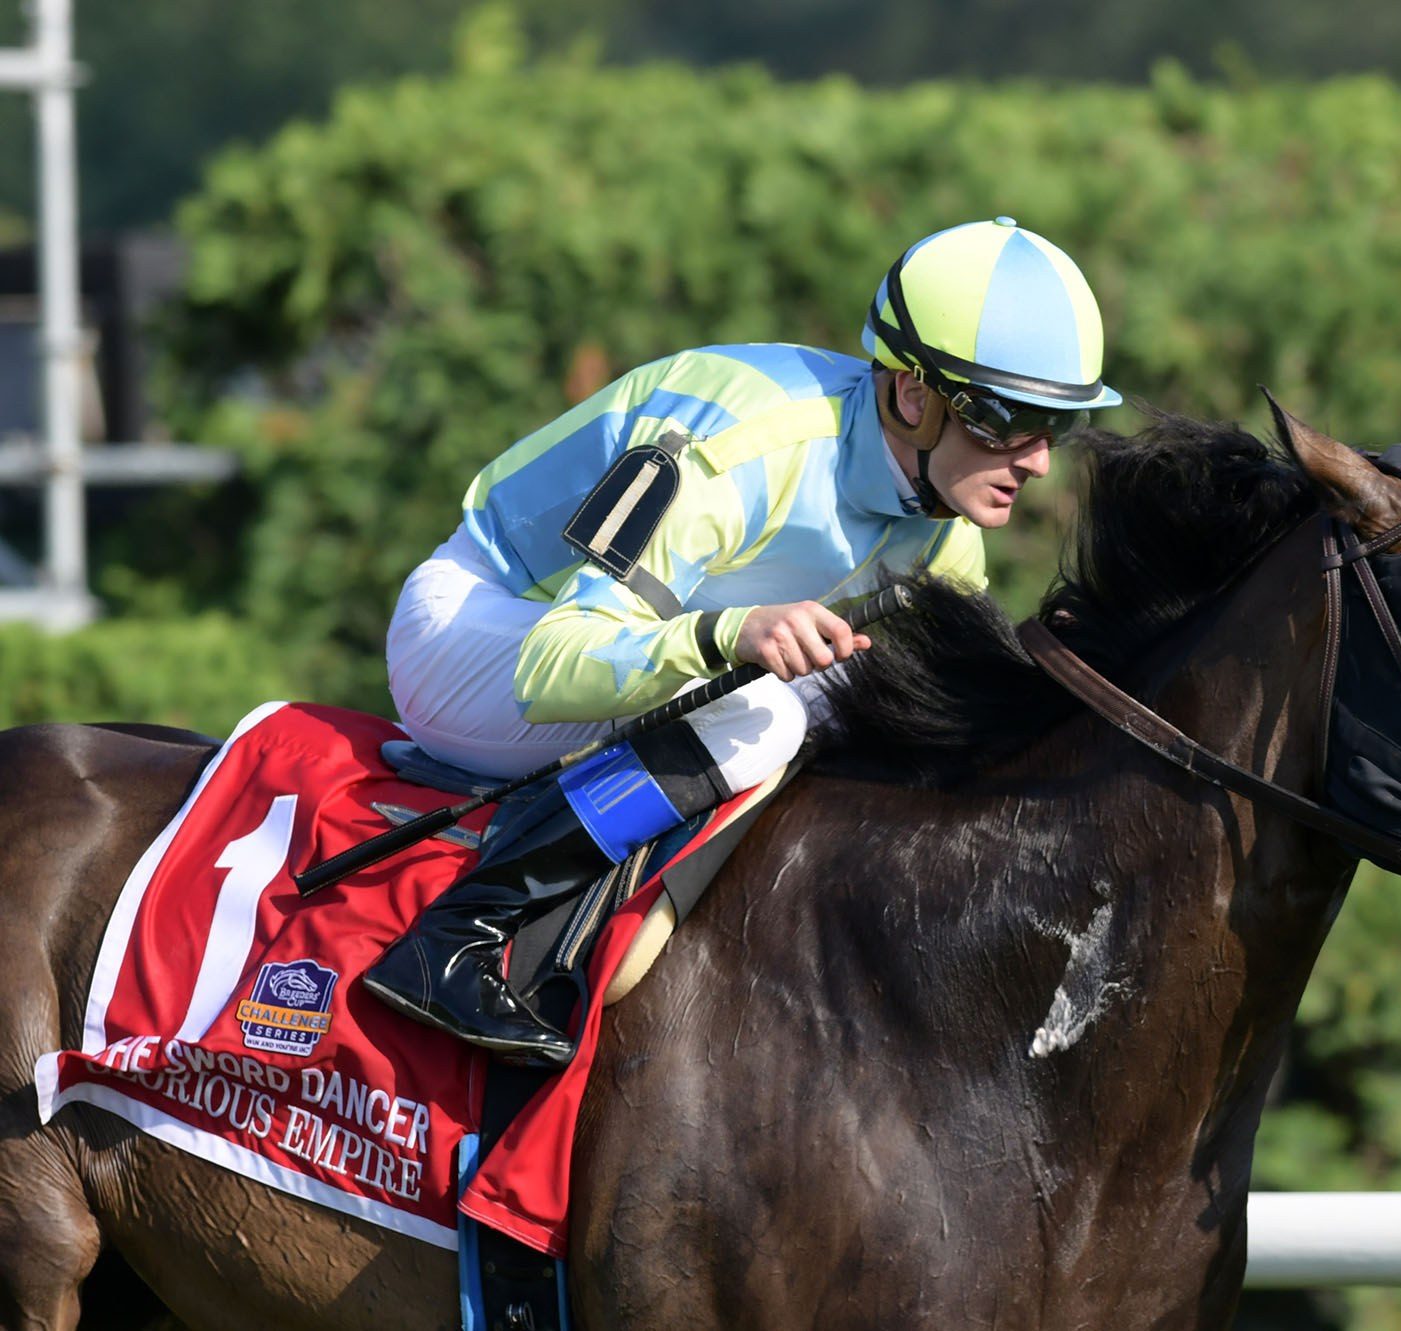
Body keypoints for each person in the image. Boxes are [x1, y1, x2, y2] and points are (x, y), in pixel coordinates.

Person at [363, 217, 1126, 1065]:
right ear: (914, 397)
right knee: (764, 710)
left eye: (1054, 427)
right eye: (1007, 421)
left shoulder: (945, 536)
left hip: (615, 653)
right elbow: (553, 665)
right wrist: (732, 634)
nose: (1037, 462)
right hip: (479, 630)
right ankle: (460, 932)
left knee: (863, 691)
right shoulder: (737, 448)